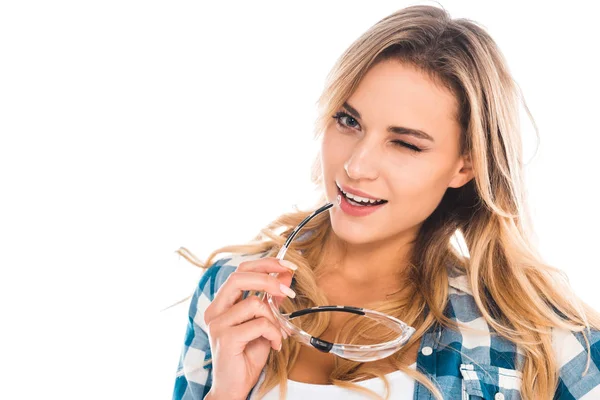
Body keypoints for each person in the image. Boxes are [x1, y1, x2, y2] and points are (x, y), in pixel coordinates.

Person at [172, 4, 600, 400]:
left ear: (464, 166)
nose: (356, 166)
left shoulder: (533, 335)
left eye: (406, 144)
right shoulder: (232, 289)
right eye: (348, 121)